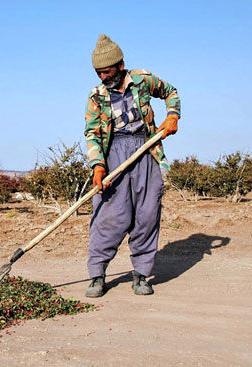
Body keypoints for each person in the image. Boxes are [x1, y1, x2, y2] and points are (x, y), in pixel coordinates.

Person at [84, 34, 181, 297]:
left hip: (146, 149)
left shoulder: (142, 80)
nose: (103, 77)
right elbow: (92, 133)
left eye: (107, 71)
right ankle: (97, 275)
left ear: (121, 65)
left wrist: (173, 116)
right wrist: (97, 166)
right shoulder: (97, 96)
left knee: (147, 213)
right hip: (114, 151)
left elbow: (170, 92)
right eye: (98, 73)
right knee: (109, 216)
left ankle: (141, 274)